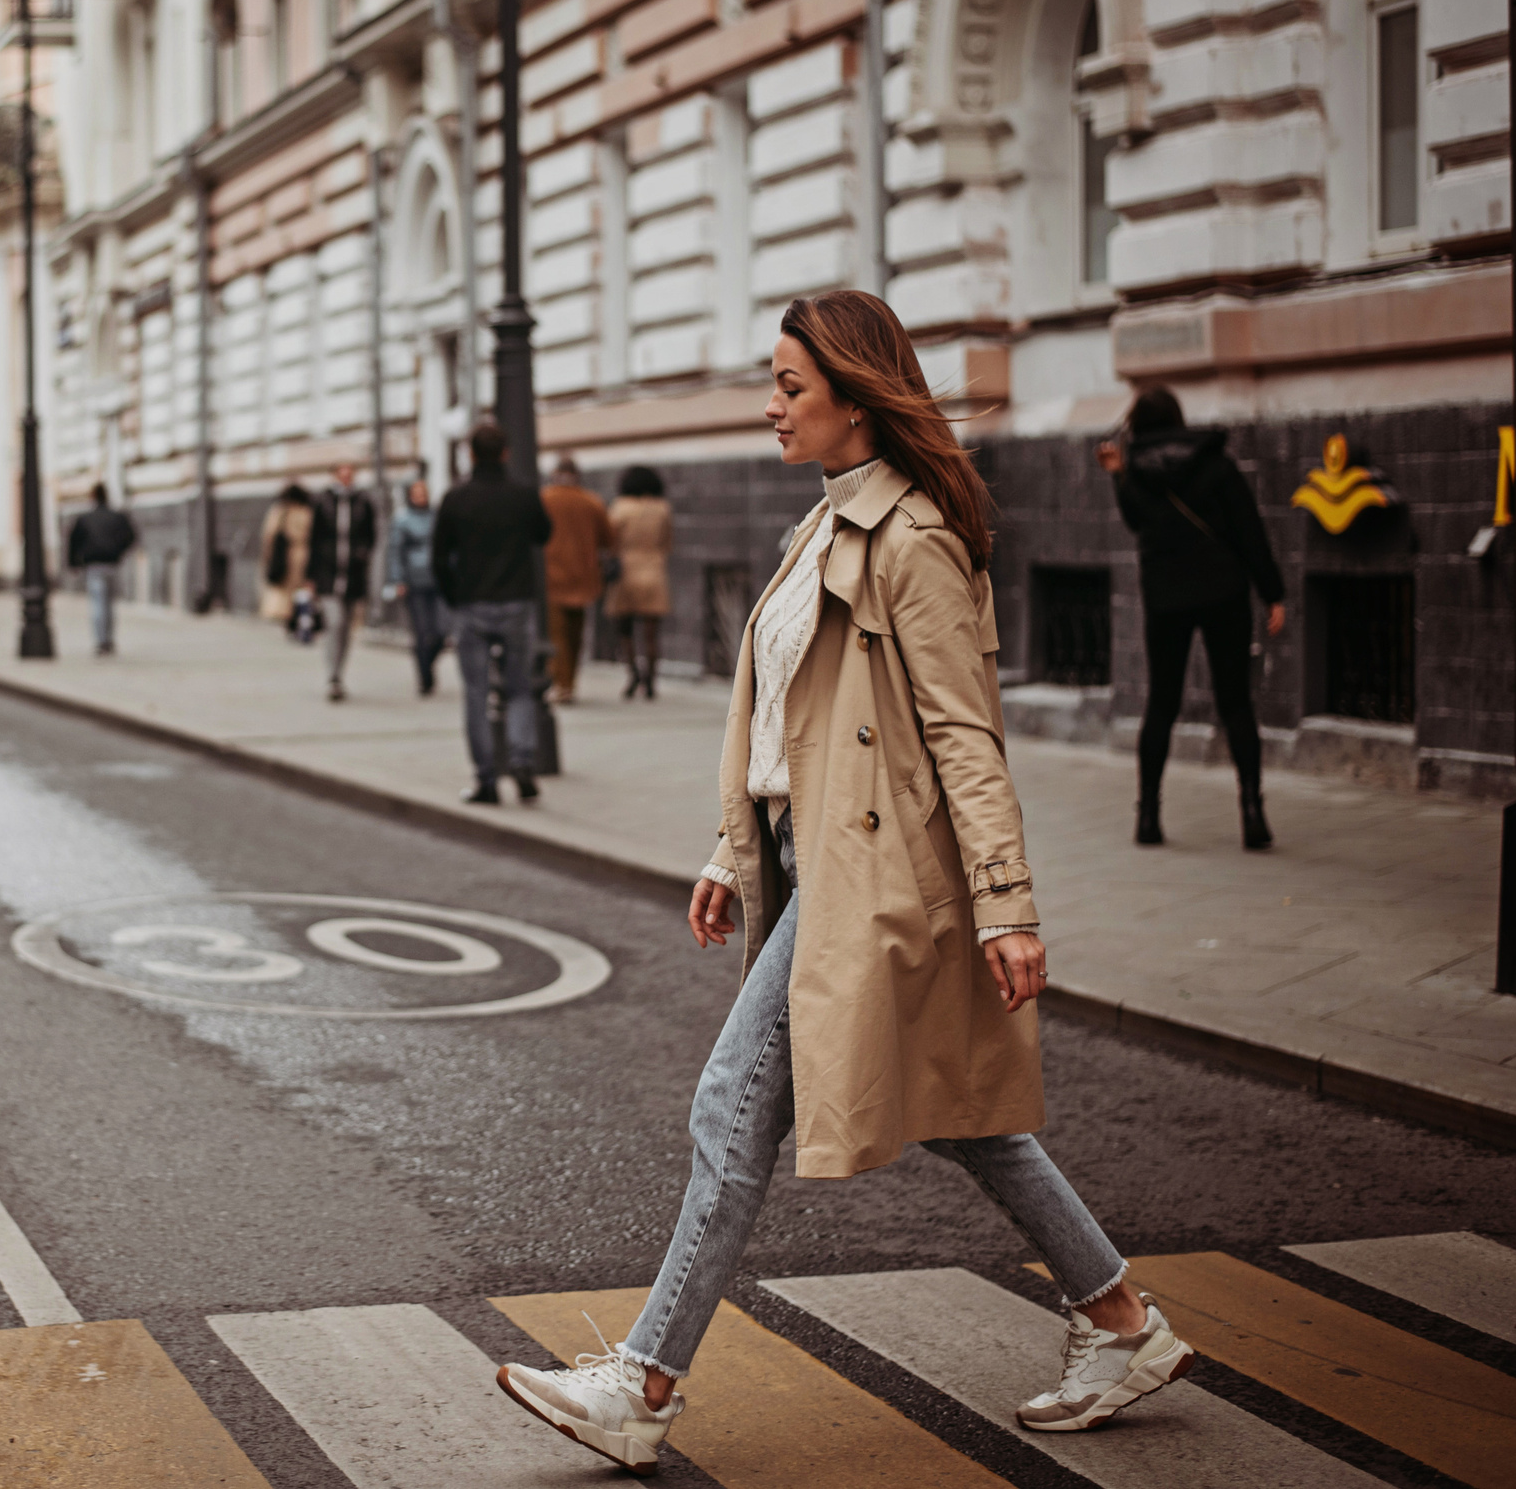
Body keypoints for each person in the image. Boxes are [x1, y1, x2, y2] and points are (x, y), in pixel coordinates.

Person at [497, 293, 1195, 1474]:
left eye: (789, 386)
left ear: (854, 398)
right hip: (809, 851)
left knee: (730, 1106)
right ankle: (1120, 1319)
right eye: (771, 384)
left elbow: (965, 735)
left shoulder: (910, 539)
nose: (770, 407)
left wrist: (1006, 903)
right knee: (960, 1119)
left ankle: (643, 1381)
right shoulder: (823, 523)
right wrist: (730, 850)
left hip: (870, 872)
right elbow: (791, 720)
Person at [1097, 387, 1288, 850]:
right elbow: (1249, 529)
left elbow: (1138, 522)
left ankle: (1148, 817)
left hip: (1167, 599)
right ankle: (1252, 812)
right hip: (1224, 593)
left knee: (1162, 703)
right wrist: (1273, 593)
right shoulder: (1215, 463)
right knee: (1236, 702)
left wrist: (1119, 475)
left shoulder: (1137, 471)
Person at [432, 422, 552, 804]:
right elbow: (543, 534)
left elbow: (439, 557)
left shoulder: (456, 498)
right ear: (505, 453)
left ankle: (486, 778)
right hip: (516, 601)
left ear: (470, 454)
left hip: (472, 604)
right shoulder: (523, 494)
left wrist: (454, 597)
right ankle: (522, 761)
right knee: (520, 689)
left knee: (476, 694)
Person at [539, 456, 613, 704]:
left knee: (556, 632)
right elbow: (608, 538)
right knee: (575, 633)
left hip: (552, 574)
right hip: (583, 576)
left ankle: (560, 683)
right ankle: (569, 682)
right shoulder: (591, 502)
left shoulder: (544, 499)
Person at [309, 461, 379, 702]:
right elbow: (313, 540)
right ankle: (332, 675)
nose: (347, 478)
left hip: (353, 575)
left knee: (347, 628)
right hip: (328, 575)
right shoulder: (323, 501)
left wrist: (363, 554)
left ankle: (339, 674)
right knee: (335, 623)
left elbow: (371, 535)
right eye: (342, 474)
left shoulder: (363, 501)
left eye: (350, 474)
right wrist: (311, 577)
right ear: (335, 476)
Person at [606, 465, 673, 700]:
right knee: (651, 632)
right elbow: (667, 542)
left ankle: (633, 672)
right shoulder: (662, 509)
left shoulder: (619, 507)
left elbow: (611, 541)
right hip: (654, 570)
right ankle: (651, 679)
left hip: (626, 572)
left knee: (625, 630)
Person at [387, 476, 444, 695]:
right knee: (422, 631)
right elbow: (395, 551)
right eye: (416, 494)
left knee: (440, 631)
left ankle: (427, 662)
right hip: (414, 580)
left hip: (437, 579)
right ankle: (424, 677)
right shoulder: (403, 519)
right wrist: (398, 579)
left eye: (423, 493)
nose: (421, 497)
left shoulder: (436, 516)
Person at [66, 484, 138, 656]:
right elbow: (130, 536)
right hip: (111, 564)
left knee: (98, 603)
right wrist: (118, 552)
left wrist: (74, 563)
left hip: (94, 565)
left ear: (92, 497)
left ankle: (101, 641)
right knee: (109, 604)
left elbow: (73, 542)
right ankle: (108, 639)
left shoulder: (85, 518)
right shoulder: (117, 517)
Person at [256, 482, 314, 627]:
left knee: (284, 591)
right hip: (303, 554)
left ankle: (289, 618)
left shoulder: (279, 511)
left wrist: (267, 556)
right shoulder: (307, 511)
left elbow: (269, 535)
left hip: (284, 555)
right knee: (301, 591)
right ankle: (300, 619)